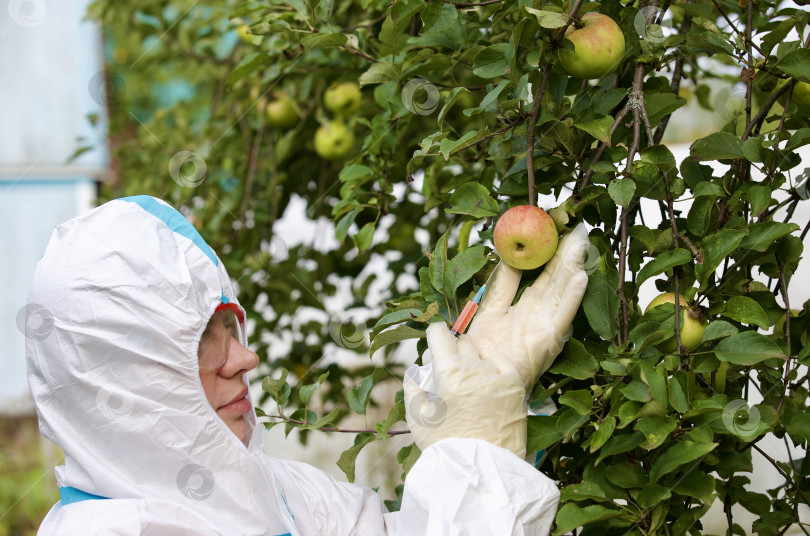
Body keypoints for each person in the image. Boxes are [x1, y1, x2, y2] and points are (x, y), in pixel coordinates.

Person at [25, 195, 589, 535]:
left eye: (231, 326)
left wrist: (480, 413)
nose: (245, 358)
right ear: (123, 383)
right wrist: (477, 459)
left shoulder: (278, 493)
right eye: (200, 341)